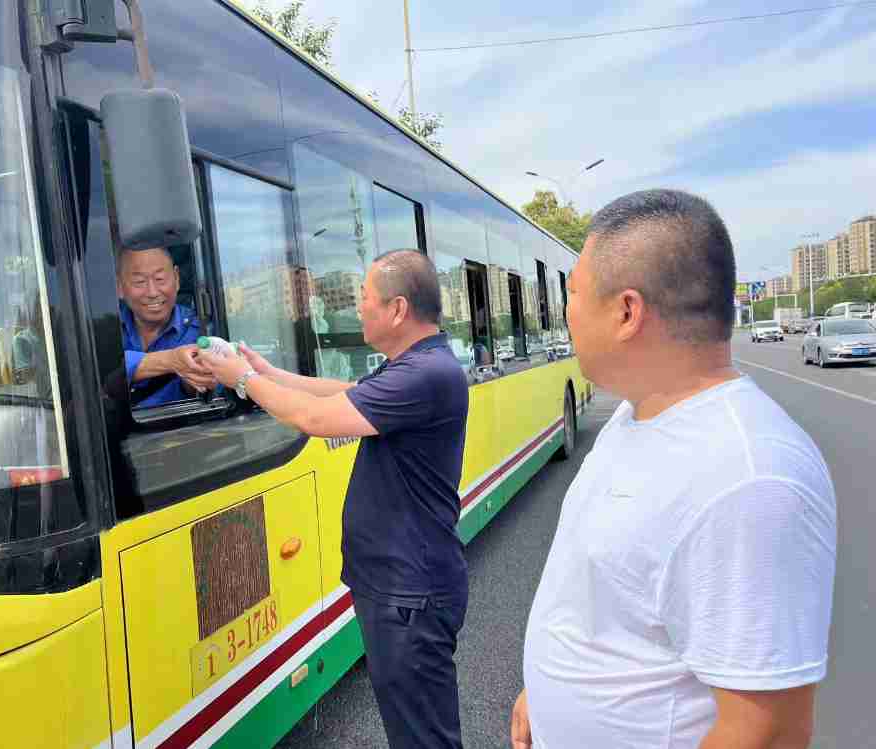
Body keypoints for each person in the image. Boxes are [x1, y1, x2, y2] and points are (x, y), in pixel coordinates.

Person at [510, 189, 836, 749]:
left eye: (573, 293)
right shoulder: (639, 413)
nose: (565, 312)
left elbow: (767, 731)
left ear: (626, 312)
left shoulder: (750, 477)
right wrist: (541, 691)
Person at [206, 250, 470, 749]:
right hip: (399, 585)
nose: (357, 308)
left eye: (365, 298)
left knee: (423, 737)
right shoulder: (416, 365)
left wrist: (240, 379)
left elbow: (316, 419)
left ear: (396, 309)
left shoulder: (426, 374)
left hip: (409, 591)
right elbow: (339, 392)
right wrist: (266, 371)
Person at [116, 246, 217, 407]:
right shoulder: (102, 329)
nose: (152, 292)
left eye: (160, 279)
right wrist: (171, 360)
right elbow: (98, 370)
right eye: (139, 282)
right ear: (119, 286)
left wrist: (194, 384)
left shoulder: (202, 331)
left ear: (176, 278)